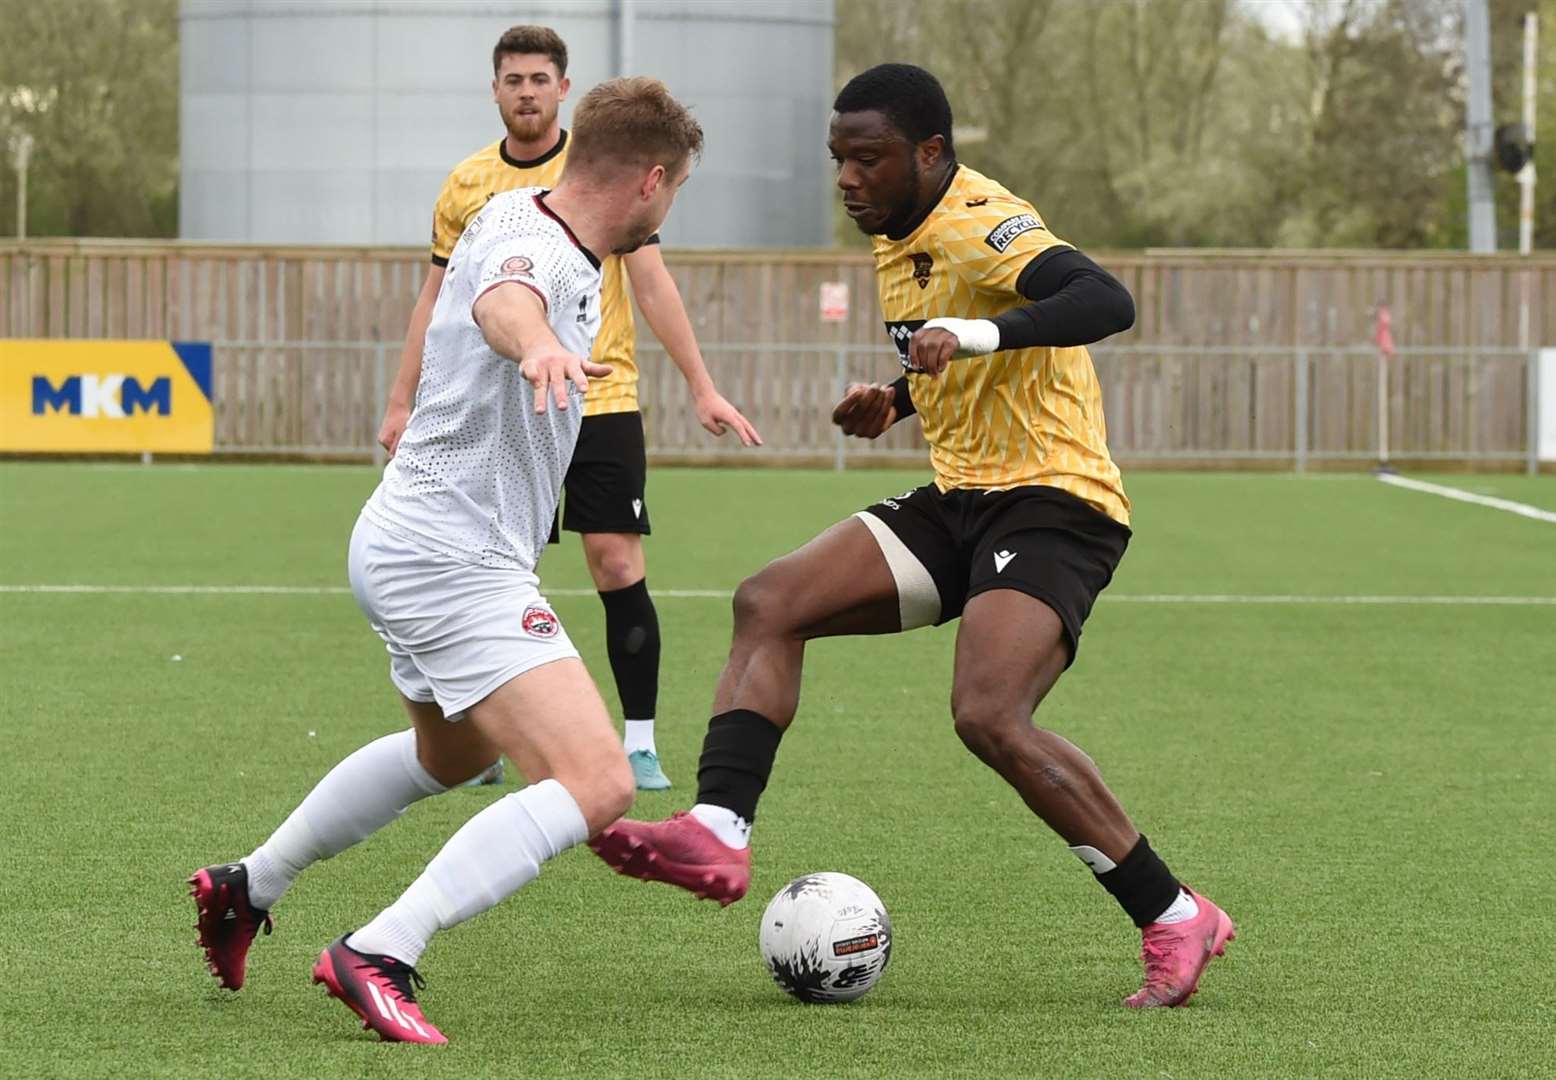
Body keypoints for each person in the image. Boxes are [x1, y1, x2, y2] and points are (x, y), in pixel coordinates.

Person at [589, 64, 1235, 1010]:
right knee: (770, 601)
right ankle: (721, 825)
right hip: (961, 499)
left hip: (1056, 502)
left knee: (987, 714)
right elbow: (945, 345)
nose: (848, 178)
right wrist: (896, 397)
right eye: (838, 159)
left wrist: (973, 341)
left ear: (931, 154)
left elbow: (1104, 301)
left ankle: (1175, 913)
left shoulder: (980, 216)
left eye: (870, 158)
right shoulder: (896, 234)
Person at [188, 77, 705, 1044]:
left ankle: (250, 884)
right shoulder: (538, 249)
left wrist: (539, 339)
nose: (669, 208)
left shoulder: (519, 203)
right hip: (450, 558)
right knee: (600, 784)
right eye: (674, 193)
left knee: (453, 754)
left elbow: (496, 284)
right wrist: (539, 346)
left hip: (403, 536)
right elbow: (507, 301)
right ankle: (382, 949)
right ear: (649, 180)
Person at [377, 25, 761, 791]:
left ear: (563, 89)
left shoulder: (606, 172)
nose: (526, 90)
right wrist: (403, 398)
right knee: (499, 556)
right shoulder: (472, 188)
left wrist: (700, 382)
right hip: (509, 396)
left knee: (615, 560)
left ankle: (640, 740)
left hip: (599, 390)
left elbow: (651, 281)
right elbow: (476, 298)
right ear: (496, 90)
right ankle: (478, 731)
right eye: (512, 78)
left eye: (539, 78)